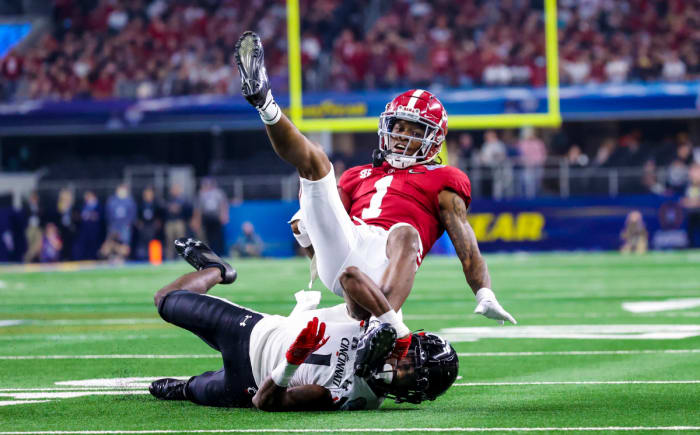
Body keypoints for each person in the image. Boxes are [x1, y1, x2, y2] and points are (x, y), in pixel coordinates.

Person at [234, 31, 515, 325]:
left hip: (388, 264)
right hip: (347, 245)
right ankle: (264, 101)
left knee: (405, 233)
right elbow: (323, 233)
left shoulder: (444, 178)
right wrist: (307, 228)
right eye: (400, 126)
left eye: (415, 131)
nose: (403, 135)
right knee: (317, 161)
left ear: (433, 140)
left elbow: (466, 243)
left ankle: (383, 325)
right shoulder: (357, 175)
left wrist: (484, 293)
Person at [149, 238, 458, 411]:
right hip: (252, 332)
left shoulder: (356, 396)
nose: (397, 370)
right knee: (165, 300)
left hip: (247, 385)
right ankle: (217, 269)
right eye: (406, 362)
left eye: (406, 377)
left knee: (189, 391)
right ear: (406, 343)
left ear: (411, 393)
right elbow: (349, 276)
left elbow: (264, 402)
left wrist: (292, 361)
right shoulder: (379, 322)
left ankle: (184, 387)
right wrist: (390, 321)